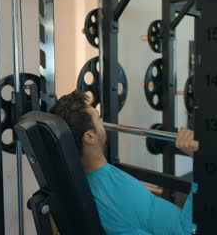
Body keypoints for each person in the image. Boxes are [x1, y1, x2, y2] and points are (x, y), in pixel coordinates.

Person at [49, 91, 199, 235]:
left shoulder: (79, 182)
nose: (103, 122)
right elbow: (187, 232)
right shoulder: (117, 193)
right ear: (89, 137)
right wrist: (200, 163)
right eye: (98, 118)